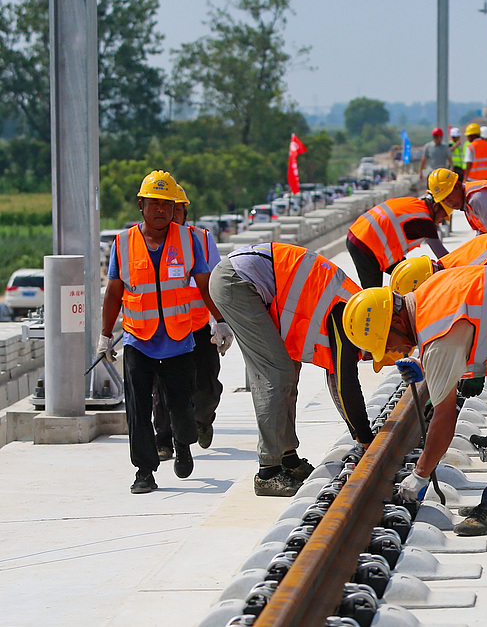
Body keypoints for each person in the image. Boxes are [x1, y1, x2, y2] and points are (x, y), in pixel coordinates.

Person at [342, 265, 487, 536]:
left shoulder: (437, 337)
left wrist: (420, 474)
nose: (392, 352)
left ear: (397, 323)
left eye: (387, 344)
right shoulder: (427, 296)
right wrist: (425, 362)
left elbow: (444, 419)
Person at [99, 170, 232, 494]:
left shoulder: (188, 241)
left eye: (167, 204)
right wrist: (105, 336)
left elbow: (204, 284)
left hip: (178, 339)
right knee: (138, 409)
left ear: (175, 208)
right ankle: (144, 471)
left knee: (181, 405)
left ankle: (183, 443)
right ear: (141, 205)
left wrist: (220, 321)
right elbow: (114, 292)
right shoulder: (123, 243)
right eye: (154, 203)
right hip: (138, 339)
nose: (160, 210)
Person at [209, 242, 373, 496]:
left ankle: (288, 458)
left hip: (246, 279)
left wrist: (359, 433)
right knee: (276, 373)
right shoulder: (347, 319)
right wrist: (364, 436)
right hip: (238, 283)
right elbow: (344, 381)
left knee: (288, 369)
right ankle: (268, 472)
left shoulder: (355, 306)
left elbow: (335, 377)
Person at [153, 184, 224, 461]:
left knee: (207, 386)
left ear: (183, 211)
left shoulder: (202, 240)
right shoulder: (152, 245)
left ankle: (202, 419)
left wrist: (221, 321)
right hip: (165, 332)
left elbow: (216, 284)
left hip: (198, 329)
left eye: (177, 209)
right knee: (162, 390)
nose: (172, 215)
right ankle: (163, 440)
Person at [346, 195, 450, 288]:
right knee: (374, 292)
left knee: (409, 273)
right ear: (436, 207)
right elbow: (443, 256)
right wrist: (457, 268)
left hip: (361, 232)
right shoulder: (425, 222)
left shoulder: (415, 203)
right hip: (365, 244)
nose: (441, 221)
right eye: (443, 215)